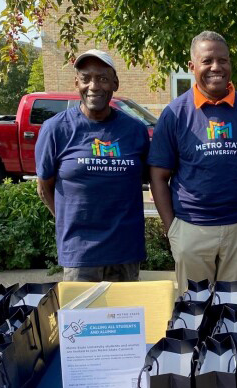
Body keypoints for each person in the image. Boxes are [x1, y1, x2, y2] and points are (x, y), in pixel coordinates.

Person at [148, 31, 237, 294]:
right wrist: (173, 229)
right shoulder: (174, 114)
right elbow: (158, 176)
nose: (216, 67)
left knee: (235, 311)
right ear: (192, 66)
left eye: (223, 60)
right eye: (207, 61)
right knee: (195, 312)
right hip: (191, 229)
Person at [35, 49, 150, 282]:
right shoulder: (55, 129)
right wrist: (69, 221)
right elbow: (43, 187)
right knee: (81, 319)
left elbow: (150, 178)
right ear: (76, 82)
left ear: (115, 83)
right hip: (80, 253)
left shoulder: (135, 131)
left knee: (123, 317)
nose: (94, 86)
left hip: (125, 251)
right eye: (86, 78)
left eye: (103, 78)